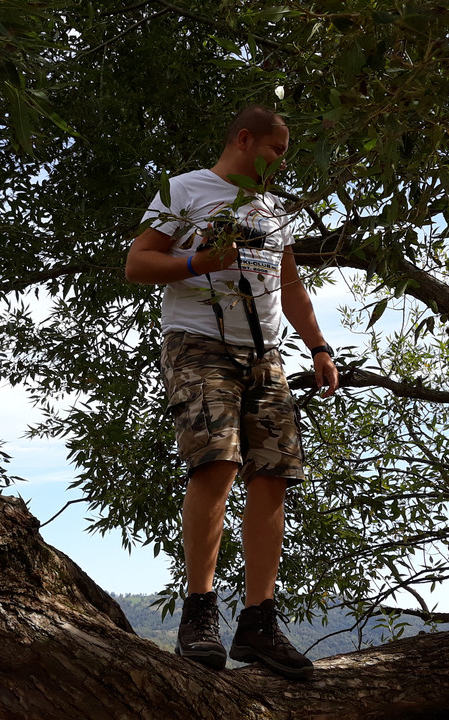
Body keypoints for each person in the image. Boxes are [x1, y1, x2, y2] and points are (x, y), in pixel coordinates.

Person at [124, 106, 339, 680]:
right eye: (276, 150)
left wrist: (319, 347)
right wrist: (201, 260)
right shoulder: (185, 190)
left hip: (264, 355)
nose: (281, 163)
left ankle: (258, 622)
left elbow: (290, 286)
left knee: (273, 475)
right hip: (198, 343)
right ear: (245, 139)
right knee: (217, 463)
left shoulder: (276, 211)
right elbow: (137, 263)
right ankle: (199, 612)